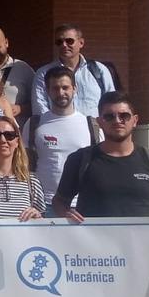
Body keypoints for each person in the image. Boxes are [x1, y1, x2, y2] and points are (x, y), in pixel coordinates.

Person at [53, 92, 149, 234]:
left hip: (141, 250)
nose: (117, 121)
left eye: (124, 116)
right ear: (100, 121)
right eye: (109, 116)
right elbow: (59, 201)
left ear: (134, 120)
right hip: (92, 251)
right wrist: (66, 215)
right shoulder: (80, 159)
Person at [22, 68, 100, 212]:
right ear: (48, 91)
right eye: (55, 88)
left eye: (65, 87)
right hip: (41, 204)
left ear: (74, 89)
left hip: (80, 204)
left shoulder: (91, 125)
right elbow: (24, 164)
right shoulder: (34, 124)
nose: (61, 93)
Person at [32, 24, 116, 118]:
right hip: (59, 129)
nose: (64, 45)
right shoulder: (44, 73)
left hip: (93, 130)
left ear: (81, 43)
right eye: (59, 42)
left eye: (69, 41)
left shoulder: (99, 70)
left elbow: (112, 103)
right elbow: (39, 106)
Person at [0, 26, 34, 123]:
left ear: (6, 43)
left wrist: (21, 108)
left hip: (15, 134)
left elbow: (39, 103)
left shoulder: (23, 69)